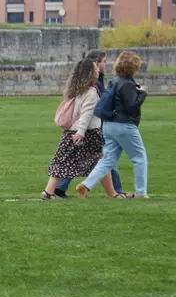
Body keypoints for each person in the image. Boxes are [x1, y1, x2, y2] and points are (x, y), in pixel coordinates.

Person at [54, 50, 127, 198]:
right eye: (103, 62)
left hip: (88, 128)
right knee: (103, 160)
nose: (105, 64)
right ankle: (115, 192)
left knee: (90, 159)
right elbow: (92, 110)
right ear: (96, 64)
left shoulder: (87, 84)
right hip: (92, 129)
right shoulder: (94, 86)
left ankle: (59, 188)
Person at [78, 52, 149, 199]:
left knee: (108, 159)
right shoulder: (127, 84)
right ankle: (141, 193)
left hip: (109, 125)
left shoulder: (115, 81)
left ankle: (85, 185)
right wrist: (142, 94)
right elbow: (131, 106)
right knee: (139, 157)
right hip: (124, 126)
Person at [42, 59, 112, 200]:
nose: (98, 71)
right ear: (89, 73)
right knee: (100, 162)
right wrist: (80, 133)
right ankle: (113, 194)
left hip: (72, 132)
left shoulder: (76, 90)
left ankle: (49, 192)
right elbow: (86, 115)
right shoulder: (91, 92)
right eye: (95, 69)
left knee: (63, 161)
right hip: (87, 133)